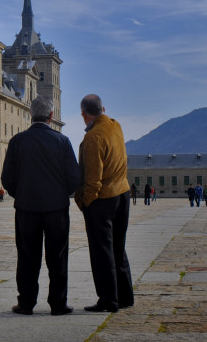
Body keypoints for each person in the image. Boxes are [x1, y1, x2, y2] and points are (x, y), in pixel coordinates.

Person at [2, 96, 80, 316]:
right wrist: (59, 194)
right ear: (51, 116)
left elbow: (7, 178)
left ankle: (26, 303)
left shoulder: (17, 141)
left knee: (27, 257)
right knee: (58, 257)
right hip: (56, 209)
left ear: (30, 114)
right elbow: (74, 177)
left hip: (26, 209)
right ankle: (58, 304)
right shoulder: (62, 141)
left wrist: (22, 194)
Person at [74, 94, 134, 313]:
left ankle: (108, 299)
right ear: (103, 109)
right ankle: (125, 296)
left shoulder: (93, 137)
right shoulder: (115, 125)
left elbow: (93, 179)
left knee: (102, 252)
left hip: (103, 200)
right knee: (119, 247)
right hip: (123, 193)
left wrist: (85, 203)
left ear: (84, 114)